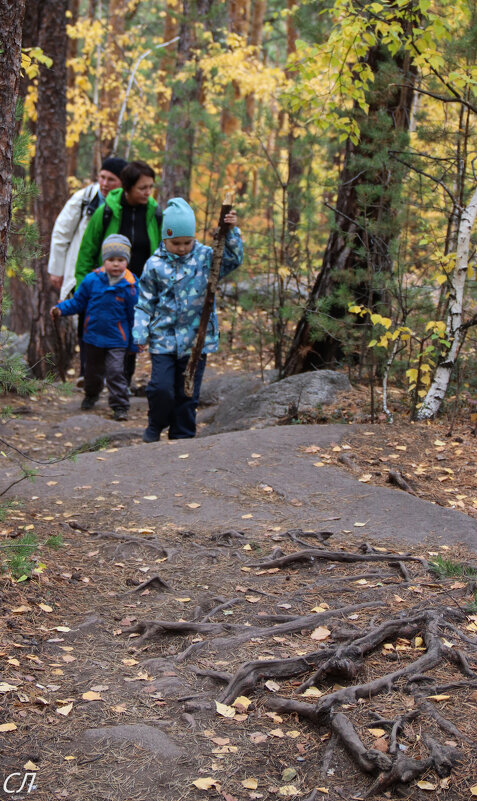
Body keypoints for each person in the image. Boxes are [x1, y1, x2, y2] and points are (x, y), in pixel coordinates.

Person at [133, 197, 243, 442]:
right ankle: (157, 422)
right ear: (165, 239)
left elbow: (233, 260)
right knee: (160, 388)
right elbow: (144, 303)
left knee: (187, 392)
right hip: (163, 339)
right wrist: (140, 333)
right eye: (176, 243)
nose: (182, 248)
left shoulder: (205, 257)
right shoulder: (154, 265)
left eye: (187, 242)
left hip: (195, 340)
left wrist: (232, 231)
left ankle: (182, 436)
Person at [75, 160, 162, 384]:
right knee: (95, 338)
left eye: (150, 187)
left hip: (138, 291)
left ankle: (121, 390)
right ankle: (91, 384)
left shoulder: (155, 214)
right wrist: (83, 289)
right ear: (128, 187)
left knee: (131, 337)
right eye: (143, 188)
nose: (148, 192)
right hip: (104, 287)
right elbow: (86, 252)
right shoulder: (106, 212)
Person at [50, 235, 138, 421]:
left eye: (120, 260)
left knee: (115, 372)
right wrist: (60, 310)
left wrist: (134, 342)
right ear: (104, 260)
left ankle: (120, 406)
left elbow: (134, 317)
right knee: (92, 372)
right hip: (93, 337)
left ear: (127, 261)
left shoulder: (130, 286)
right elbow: (77, 302)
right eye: (111, 260)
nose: (116, 264)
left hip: (117, 339)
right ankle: (91, 394)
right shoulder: (91, 280)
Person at [47, 157, 128, 300]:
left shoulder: (128, 204)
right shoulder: (84, 198)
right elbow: (61, 233)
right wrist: (56, 270)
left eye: (111, 180)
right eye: (102, 177)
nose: (104, 184)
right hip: (80, 272)